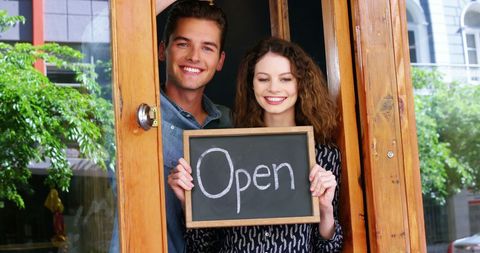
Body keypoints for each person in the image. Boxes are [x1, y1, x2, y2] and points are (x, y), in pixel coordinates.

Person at [168, 37, 344, 252]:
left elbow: (328, 249)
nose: (274, 88)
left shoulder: (323, 155)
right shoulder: (227, 152)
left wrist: (326, 210)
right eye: (263, 79)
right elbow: (203, 247)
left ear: (301, 84)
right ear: (251, 85)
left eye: (286, 79)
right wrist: (189, 202)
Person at [158, 1, 232, 253]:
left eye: (207, 48)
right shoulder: (141, 119)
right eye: (182, 44)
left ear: (220, 61)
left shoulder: (231, 123)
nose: (194, 57)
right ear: (162, 50)